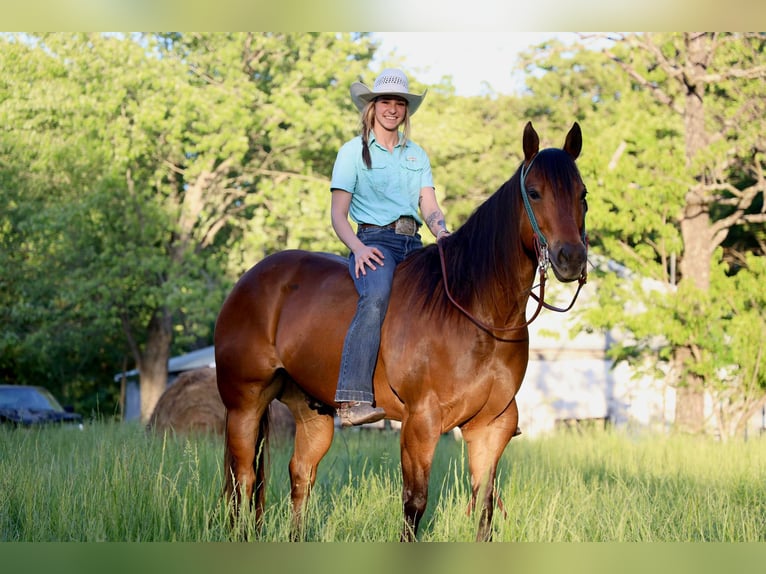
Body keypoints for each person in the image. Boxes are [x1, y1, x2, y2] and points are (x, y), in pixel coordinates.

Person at [330, 68, 450, 427]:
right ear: (372, 107)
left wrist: (442, 232)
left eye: (400, 103)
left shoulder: (417, 155)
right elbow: (338, 215)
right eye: (386, 101)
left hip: (414, 241)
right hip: (373, 241)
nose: (392, 108)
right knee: (377, 295)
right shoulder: (352, 152)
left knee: (453, 287)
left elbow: (428, 203)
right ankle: (352, 399)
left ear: (406, 110)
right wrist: (358, 248)